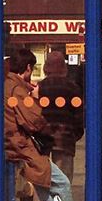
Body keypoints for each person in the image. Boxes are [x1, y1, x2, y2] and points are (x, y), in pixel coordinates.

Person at [4, 48, 78, 201]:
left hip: (20, 145)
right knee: (63, 184)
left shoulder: (9, 84)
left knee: (46, 189)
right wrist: (35, 98)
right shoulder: (18, 89)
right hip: (30, 148)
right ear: (28, 68)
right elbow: (34, 120)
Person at [37, 51, 83, 185]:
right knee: (63, 182)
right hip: (65, 140)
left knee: (42, 182)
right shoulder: (73, 88)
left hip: (43, 141)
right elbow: (79, 117)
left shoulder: (40, 87)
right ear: (64, 67)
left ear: (46, 67)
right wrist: (74, 135)